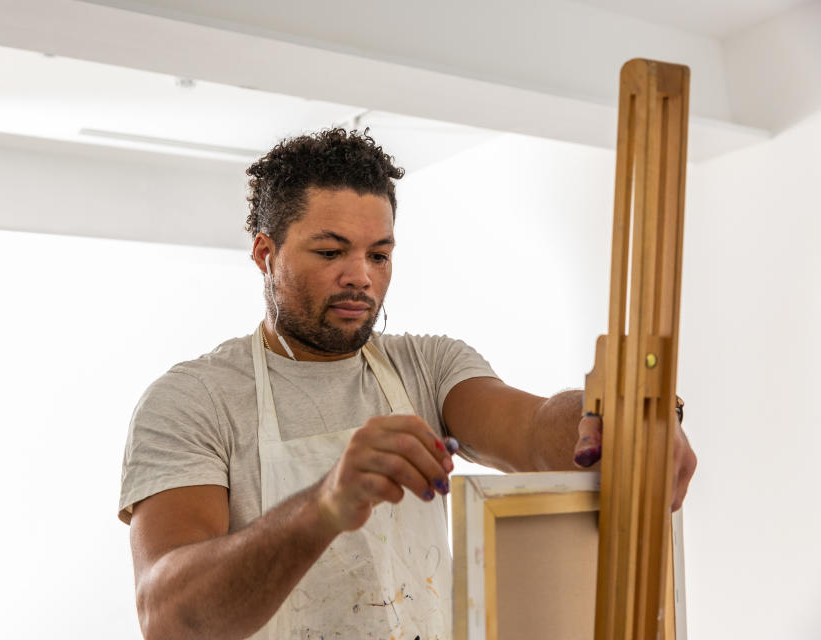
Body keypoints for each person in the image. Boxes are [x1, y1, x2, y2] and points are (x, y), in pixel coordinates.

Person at [117, 128, 697, 640]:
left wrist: (616, 417)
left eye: (380, 254)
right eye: (330, 251)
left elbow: (538, 433)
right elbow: (169, 619)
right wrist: (323, 505)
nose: (361, 278)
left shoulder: (429, 367)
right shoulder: (193, 401)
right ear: (265, 254)